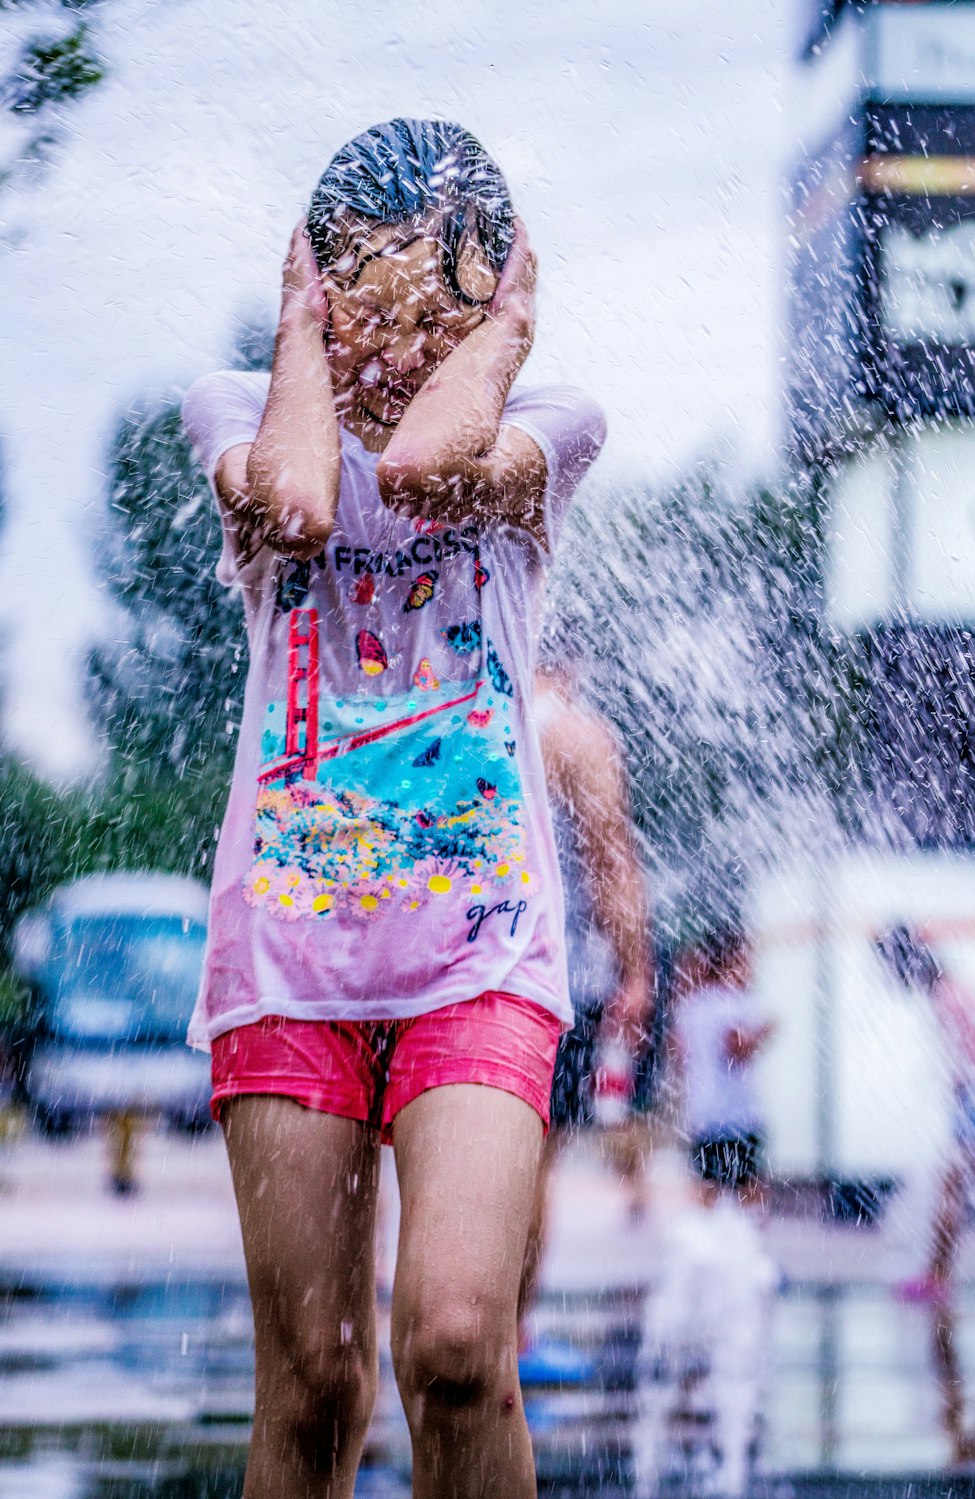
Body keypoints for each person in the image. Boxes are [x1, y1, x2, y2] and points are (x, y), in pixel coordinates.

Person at [181, 118, 606, 1499]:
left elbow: (425, 472)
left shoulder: (548, 425)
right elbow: (300, 505)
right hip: (289, 965)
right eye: (364, 304)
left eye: (438, 315)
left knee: (458, 1338)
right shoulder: (235, 411)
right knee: (311, 1376)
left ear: (496, 311)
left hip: (477, 957)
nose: (398, 346)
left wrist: (506, 334)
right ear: (312, 291)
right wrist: (299, 338)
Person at [517, 654, 654, 1369]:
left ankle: (427, 1320)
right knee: (530, 1164)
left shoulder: (463, 710)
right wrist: (636, 967)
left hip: (449, 972)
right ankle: (510, 1334)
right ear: (568, 660)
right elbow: (610, 858)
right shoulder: (575, 735)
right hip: (547, 983)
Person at [874, 924, 975, 1460]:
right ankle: (945, 1274)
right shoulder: (955, 990)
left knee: (960, 1191)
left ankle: (939, 1276)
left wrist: (963, 1103)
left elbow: (965, 1062)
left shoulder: (947, 997)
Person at [670, 926, 773, 1206]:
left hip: (703, 1114)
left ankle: (706, 1241)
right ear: (730, 962)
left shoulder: (691, 1005)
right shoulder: (735, 1003)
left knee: (707, 1189)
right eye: (745, 960)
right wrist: (764, 1031)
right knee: (750, 1189)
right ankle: (747, 1242)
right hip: (738, 1115)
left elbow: (678, 1055)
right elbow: (736, 1048)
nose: (750, 967)